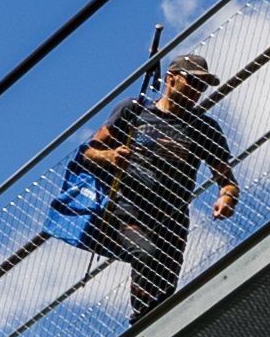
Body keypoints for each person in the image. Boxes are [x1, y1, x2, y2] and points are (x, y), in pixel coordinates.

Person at [75, 53, 240, 320]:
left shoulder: (204, 128)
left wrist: (227, 200)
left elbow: (228, 182)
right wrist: (111, 156)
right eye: (193, 82)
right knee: (145, 251)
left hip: (173, 219)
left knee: (164, 289)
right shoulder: (134, 111)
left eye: (202, 86)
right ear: (170, 79)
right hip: (129, 209)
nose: (197, 91)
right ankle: (140, 321)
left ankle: (147, 323)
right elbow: (87, 153)